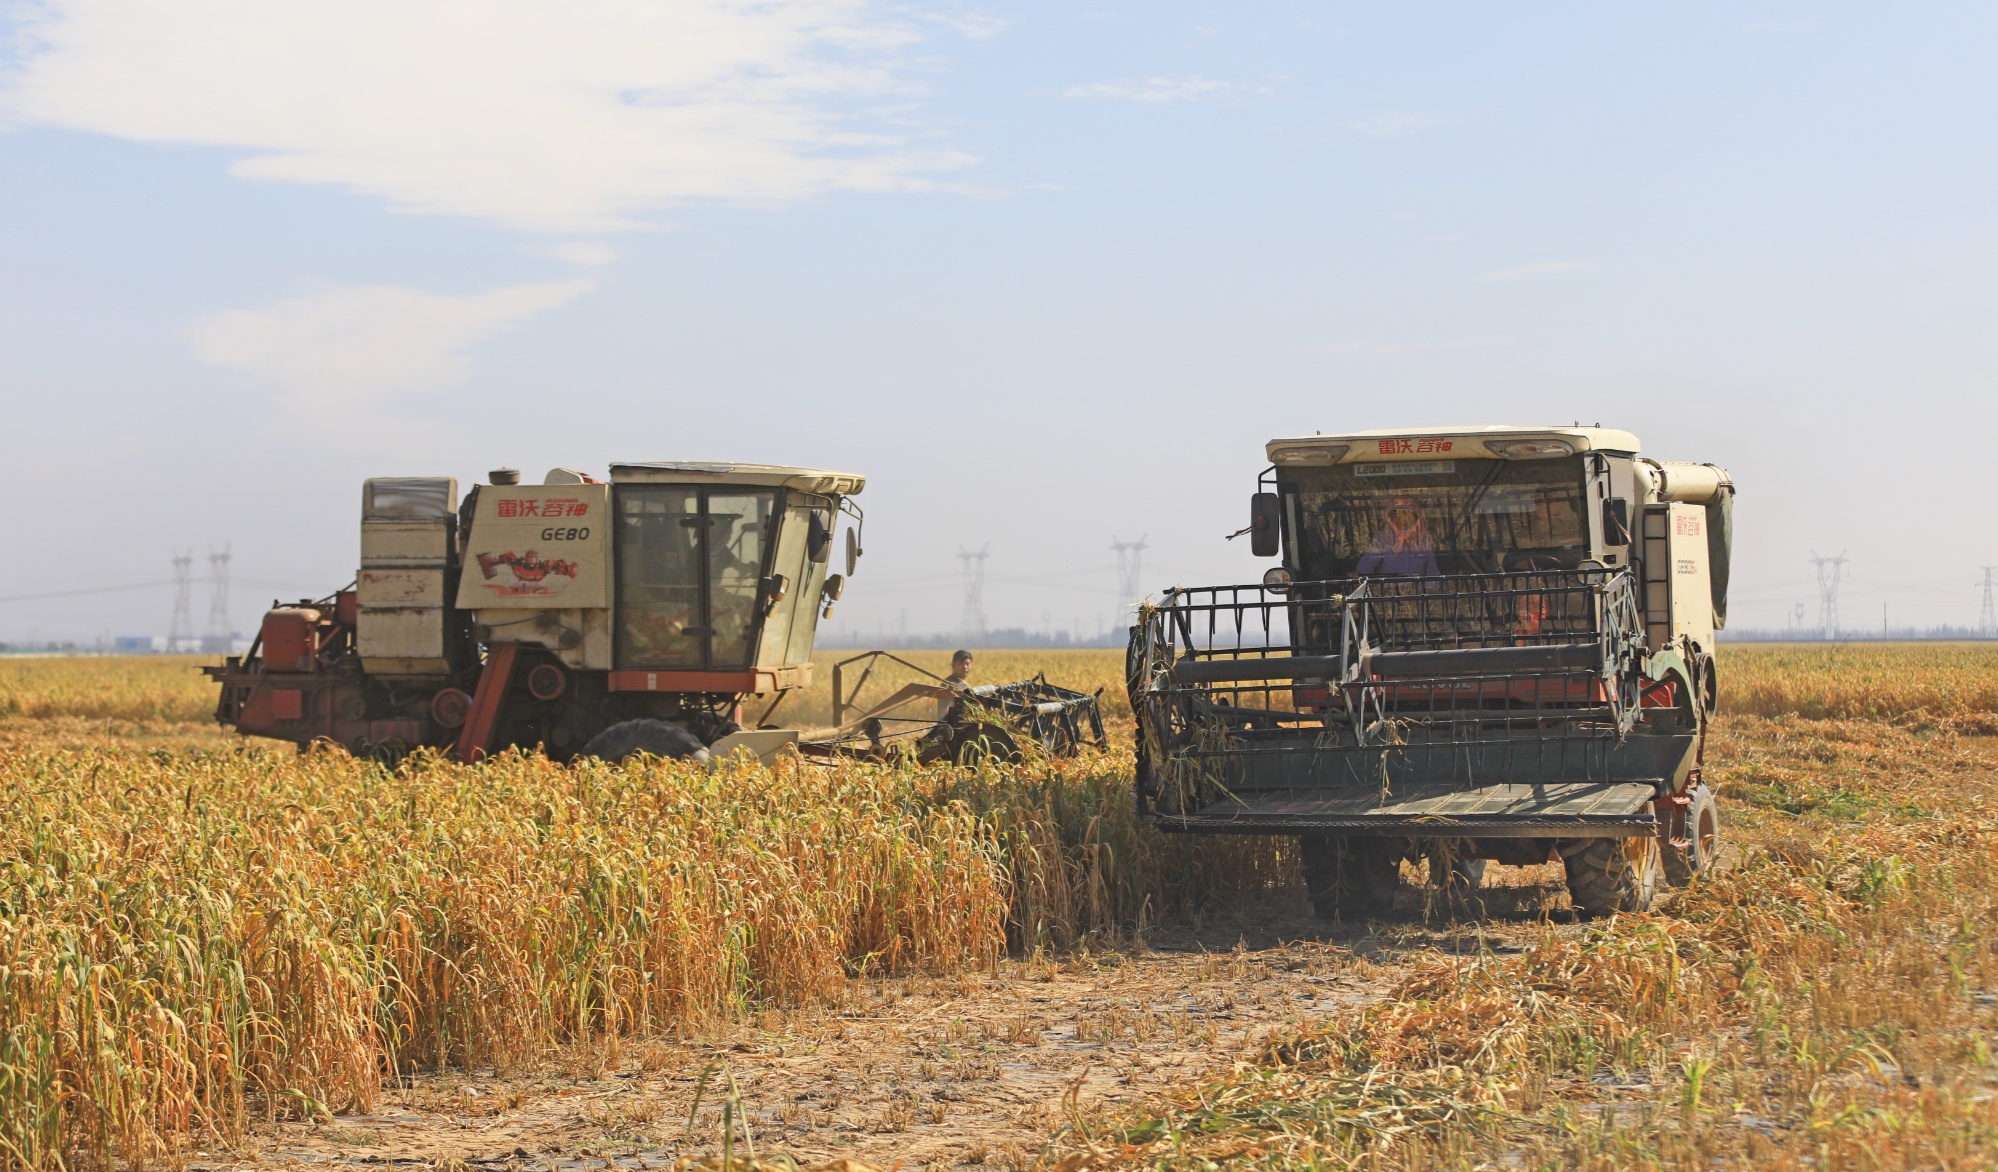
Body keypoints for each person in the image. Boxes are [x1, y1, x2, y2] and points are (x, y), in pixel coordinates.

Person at [1355, 498, 1441, 577]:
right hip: (1388, 591)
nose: (1402, 520)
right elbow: (1367, 564)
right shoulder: (1383, 537)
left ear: (1415, 518)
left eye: (1407, 515)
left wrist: (1428, 591)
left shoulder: (1424, 539)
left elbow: (1432, 574)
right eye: (1396, 515)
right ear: (1391, 518)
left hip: (1417, 591)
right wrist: (1359, 577)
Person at [937, 650, 974, 719]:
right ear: (953, 665)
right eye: (961, 663)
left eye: (967, 664)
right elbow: (942, 711)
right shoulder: (948, 684)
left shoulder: (964, 684)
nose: (965, 667)